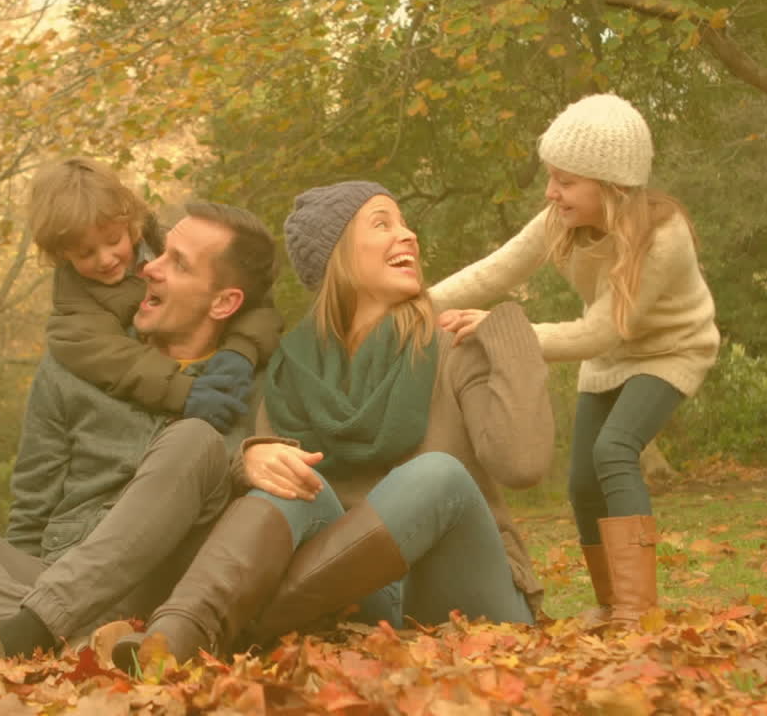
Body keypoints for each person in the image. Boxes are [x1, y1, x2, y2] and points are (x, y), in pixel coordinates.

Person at [113, 181, 554, 669]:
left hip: (478, 607)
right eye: (383, 223)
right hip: (376, 611)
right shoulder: (290, 375)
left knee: (438, 474)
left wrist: (510, 334)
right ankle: (178, 634)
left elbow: (523, 464)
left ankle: (238, 632)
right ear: (337, 256)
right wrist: (250, 460)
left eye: (405, 223)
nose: (408, 236)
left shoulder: (453, 346)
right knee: (288, 476)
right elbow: (262, 512)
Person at [0, 201, 280, 667]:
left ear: (224, 302)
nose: (148, 267)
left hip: (158, 591)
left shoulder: (262, 381)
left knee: (195, 439)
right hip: (55, 571)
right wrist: (31, 587)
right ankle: (61, 638)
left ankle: (32, 635)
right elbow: (33, 502)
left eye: (176, 263)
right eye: (159, 253)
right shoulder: (77, 367)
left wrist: (242, 460)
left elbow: (269, 513)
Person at [430, 93, 719, 622]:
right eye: (551, 177)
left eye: (565, 180)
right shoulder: (559, 221)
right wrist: (414, 305)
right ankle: (611, 605)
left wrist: (505, 332)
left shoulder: (662, 237)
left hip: (673, 349)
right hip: (610, 357)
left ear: (610, 184)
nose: (551, 191)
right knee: (582, 481)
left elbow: (597, 332)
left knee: (614, 450)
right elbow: (495, 271)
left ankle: (639, 610)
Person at [33, 157, 283, 433]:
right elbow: (117, 361)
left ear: (129, 223)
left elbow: (251, 297)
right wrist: (181, 392)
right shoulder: (76, 306)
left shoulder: (168, 243)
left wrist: (241, 350)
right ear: (62, 254)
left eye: (114, 240)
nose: (105, 259)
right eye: (85, 253)